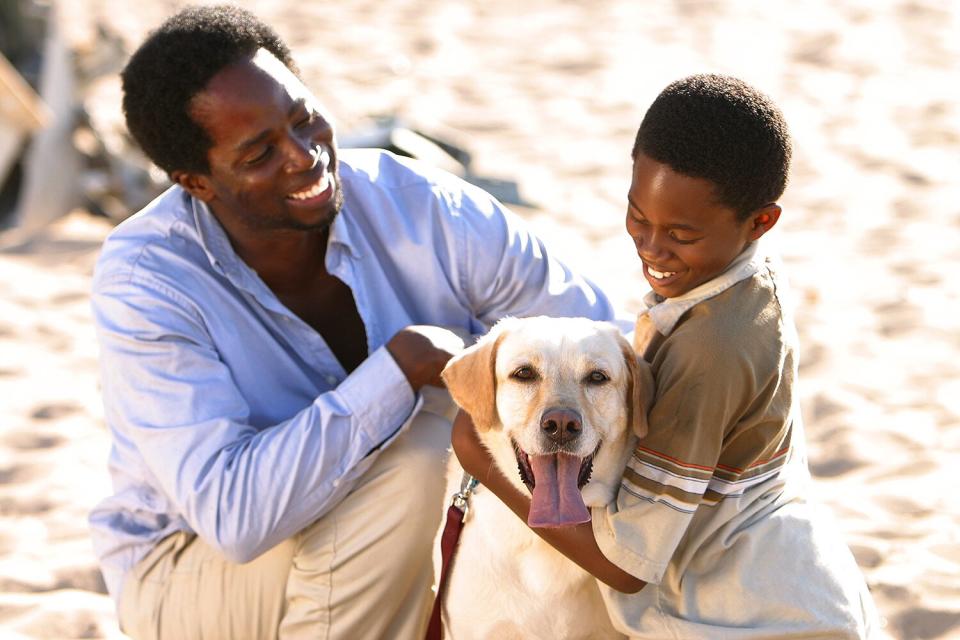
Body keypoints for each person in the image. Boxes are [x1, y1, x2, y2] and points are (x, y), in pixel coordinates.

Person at [89, 5, 618, 639]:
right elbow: (233, 517)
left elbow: (596, 336)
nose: (303, 155)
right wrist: (397, 370)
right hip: (190, 569)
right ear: (194, 182)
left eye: (304, 117)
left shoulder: (421, 206)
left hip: (368, 541)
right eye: (259, 152)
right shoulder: (147, 280)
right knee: (424, 449)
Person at [453, 74, 880, 638]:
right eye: (638, 217)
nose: (652, 249)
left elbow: (628, 568)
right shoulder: (741, 286)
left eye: (680, 232)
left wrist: (476, 455)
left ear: (760, 221)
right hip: (797, 586)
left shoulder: (712, 349)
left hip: (749, 616)